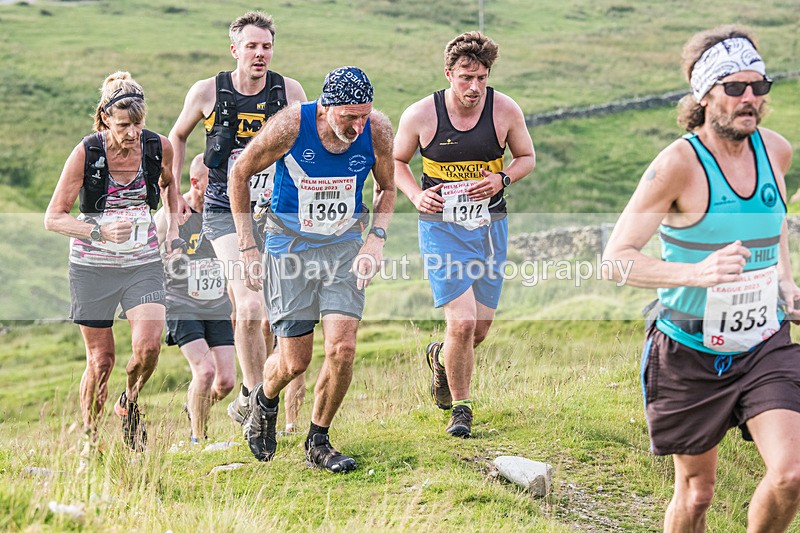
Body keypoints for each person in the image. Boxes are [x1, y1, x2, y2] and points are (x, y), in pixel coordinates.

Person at [603, 25, 800, 532]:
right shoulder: (677, 165)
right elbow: (617, 259)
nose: (750, 98)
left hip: (764, 341)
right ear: (705, 95)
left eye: (759, 86)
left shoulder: (777, 151)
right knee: (696, 495)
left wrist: (785, 281)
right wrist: (698, 271)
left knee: (791, 473)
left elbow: (772, 225)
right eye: (735, 88)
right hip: (688, 350)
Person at [229, 66, 395, 472]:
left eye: (364, 115)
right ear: (326, 107)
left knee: (343, 347)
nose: (358, 126)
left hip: (343, 249)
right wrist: (249, 246)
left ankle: (318, 440)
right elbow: (240, 172)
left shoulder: (378, 130)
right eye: (349, 117)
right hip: (289, 246)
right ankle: (263, 401)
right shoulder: (290, 125)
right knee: (294, 362)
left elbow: (387, 187)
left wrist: (376, 238)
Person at [168, 11, 307, 428]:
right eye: (252, 46)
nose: (260, 54)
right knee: (248, 305)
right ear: (235, 50)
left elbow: (309, 142)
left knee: (269, 316)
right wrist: (172, 191)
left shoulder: (289, 91)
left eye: (266, 46)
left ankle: (255, 394)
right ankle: (253, 397)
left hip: (275, 213)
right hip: (222, 211)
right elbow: (177, 136)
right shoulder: (208, 91)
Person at [393, 32, 535, 438]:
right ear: (448, 74)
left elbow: (527, 157)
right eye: (466, 77)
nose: (474, 87)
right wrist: (416, 196)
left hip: (490, 226)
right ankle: (462, 409)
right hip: (442, 229)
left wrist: (501, 178)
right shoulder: (421, 115)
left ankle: (441, 360)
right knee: (461, 322)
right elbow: (398, 161)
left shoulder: (505, 110)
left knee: (479, 330)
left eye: (482, 78)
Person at [44, 71, 179, 451]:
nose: (133, 133)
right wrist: (99, 232)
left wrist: (170, 233)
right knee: (101, 361)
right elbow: (53, 217)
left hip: (142, 263)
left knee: (149, 348)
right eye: (123, 125)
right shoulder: (86, 152)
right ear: (105, 118)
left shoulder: (158, 147)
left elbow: (171, 189)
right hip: (92, 267)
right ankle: (90, 441)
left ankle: (129, 402)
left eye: (138, 124)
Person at [155, 154, 236, 444]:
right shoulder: (173, 214)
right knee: (204, 371)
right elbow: (147, 252)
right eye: (213, 183)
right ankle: (197, 440)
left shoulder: (223, 214)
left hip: (216, 305)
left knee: (225, 382)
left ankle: (195, 406)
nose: (220, 188)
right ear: (195, 182)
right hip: (181, 303)